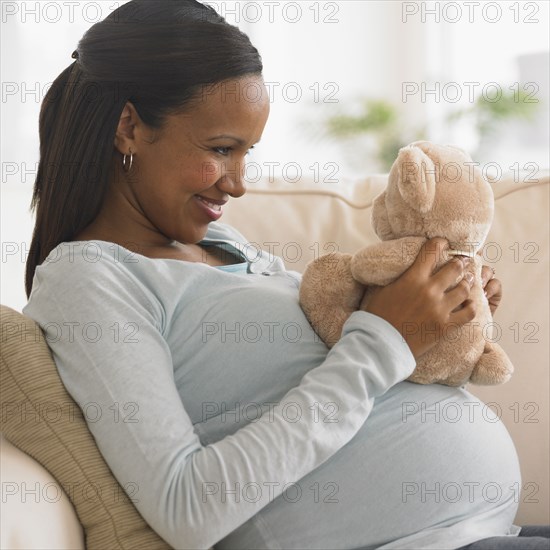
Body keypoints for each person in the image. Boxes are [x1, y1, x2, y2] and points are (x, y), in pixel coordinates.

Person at [22, 1, 549, 549]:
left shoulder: (223, 246)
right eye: (221, 149)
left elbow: (352, 380)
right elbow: (186, 508)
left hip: (478, 530)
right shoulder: (89, 280)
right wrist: (384, 339)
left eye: (247, 152)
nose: (239, 183)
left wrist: (437, 328)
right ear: (128, 127)